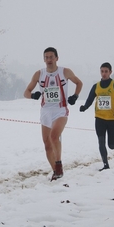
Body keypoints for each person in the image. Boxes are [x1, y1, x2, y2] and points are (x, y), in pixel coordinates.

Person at [24, 47, 83, 181]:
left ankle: (58, 164)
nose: (49, 60)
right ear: (44, 59)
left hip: (60, 110)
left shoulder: (65, 72)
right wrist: (33, 95)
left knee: (54, 136)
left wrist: (75, 96)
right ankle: (56, 172)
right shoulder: (39, 74)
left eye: (51, 57)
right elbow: (26, 92)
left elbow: (79, 83)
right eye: (46, 57)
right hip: (45, 111)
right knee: (47, 144)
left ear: (57, 58)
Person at [79, 62, 114, 171]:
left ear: (110, 72)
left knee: (112, 146)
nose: (104, 74)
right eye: (102, 71)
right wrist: (84, 107)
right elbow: (90, 99)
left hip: (112, 119)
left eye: (106, 71)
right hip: (99, 118)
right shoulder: (96, 86)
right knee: (101, 141)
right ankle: (106, 164)